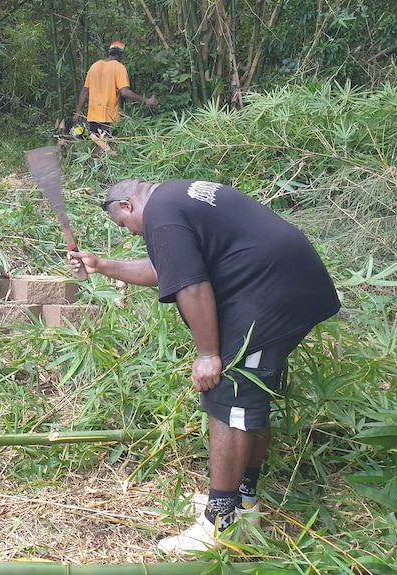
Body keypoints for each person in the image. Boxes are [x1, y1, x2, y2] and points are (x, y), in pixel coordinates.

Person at [68, 178, 340, 555]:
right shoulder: (176, 196)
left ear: (128, 206)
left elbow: (191, 285)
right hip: (282, 289)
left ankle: (220, 523)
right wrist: (101, 265)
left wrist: (209, 354)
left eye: (122, 225)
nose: (129, 233)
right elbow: (169, 269)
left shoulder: (162, 213)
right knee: (245, 398)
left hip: (271, 297)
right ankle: (243, 505)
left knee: (230, 400)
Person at [73, 41, 158, 156]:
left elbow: (85, 91)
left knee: (100, 143)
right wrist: (146, 100)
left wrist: (78, 112)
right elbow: (125, 92)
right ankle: (91, 164)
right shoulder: (119, 68)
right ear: (121, 54)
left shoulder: (94, 66)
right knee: (106, 146)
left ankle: (94, 167)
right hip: (109, 115)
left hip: (93, 114)